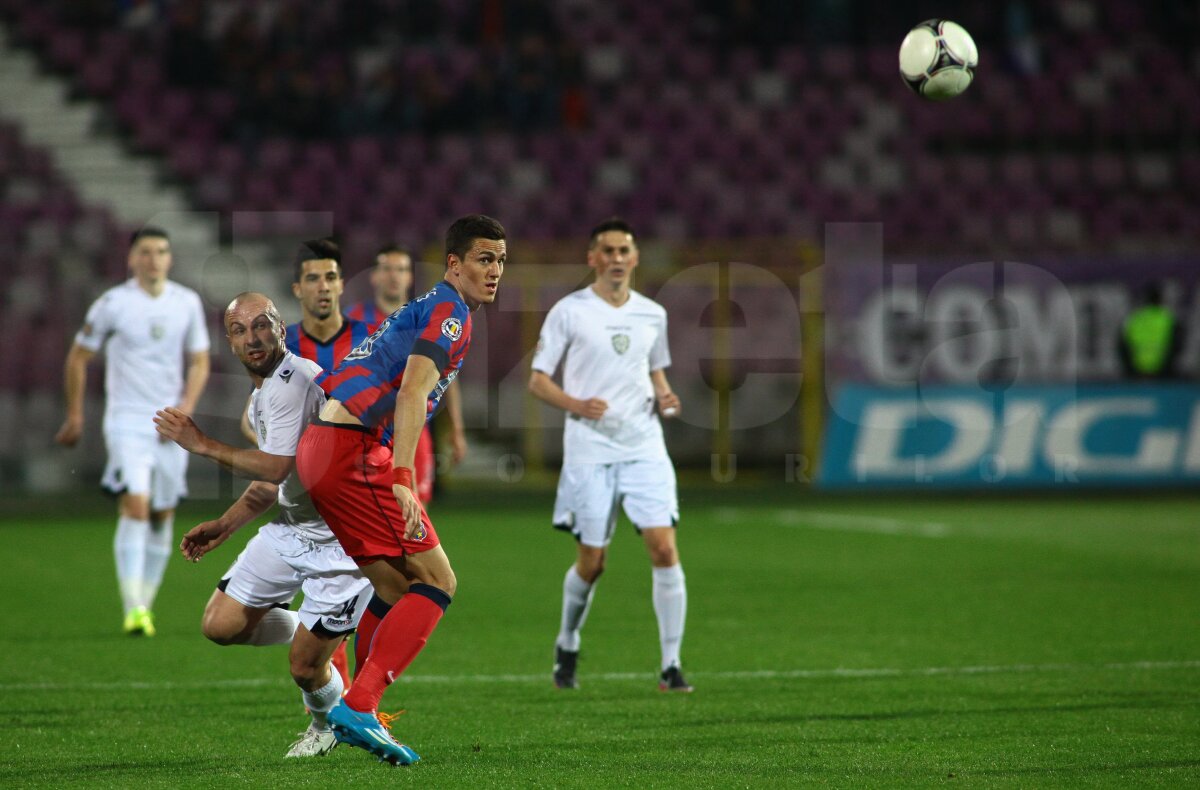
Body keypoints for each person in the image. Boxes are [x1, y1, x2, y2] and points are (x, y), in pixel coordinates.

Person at [294, 215, 506, 765]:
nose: (495, 271)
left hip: (325, 446)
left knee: (391, 586)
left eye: (501, 261)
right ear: (454, 264)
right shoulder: (450, 313)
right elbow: (413, 391)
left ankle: (355, 704)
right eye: (484, 259)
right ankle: (360, 705)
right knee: (439, 580)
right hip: (354, 449)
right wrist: (403, 478)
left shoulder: (428, 306)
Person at [153, 293, 374, 759]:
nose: (251, 337)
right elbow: (275, 483)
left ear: (281, 329)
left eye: (260, 326)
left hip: (339, 540)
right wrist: (225, 525)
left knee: (304, 670)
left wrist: (202, 443)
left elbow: (275, 468)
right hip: (295, 527)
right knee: (220, 624)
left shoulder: (291, 382)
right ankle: (314, 628)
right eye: (239, 330)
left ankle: (325, 726)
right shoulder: (265, 392)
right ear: (230, 342)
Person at [528, 218, 691, 692]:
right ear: (592, 259)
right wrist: (578, 404)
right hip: (589, 449)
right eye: (608, 250)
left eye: (625, 250)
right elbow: (537, 380)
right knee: (593, 561)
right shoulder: (569, 311)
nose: (617, 258)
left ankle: (671, 664)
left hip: (643, 444)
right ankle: (568, 640)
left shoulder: (652, 314)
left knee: (663, 547)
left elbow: (655, 372)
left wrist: (666, 396)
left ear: (635, 258)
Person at [55, 227, 211, 637]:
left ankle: (146, 604)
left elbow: (198, 361)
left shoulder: (186, 302)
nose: (154, 258)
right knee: (136, 506)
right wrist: (75, 415)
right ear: (131, 259)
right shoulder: (114, 303)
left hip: (170, 423)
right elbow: (77, 357)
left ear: (170, 258)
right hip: (127, 421)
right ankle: (133, 607)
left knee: (162, 515)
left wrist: (186, 409)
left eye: (161, 250)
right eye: (145, 251)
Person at [347, 243, 469, 499]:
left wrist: (456, 428)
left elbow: (448, 377)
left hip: (413, 428)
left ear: (410, 276)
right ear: (374, 276)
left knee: (417, 510)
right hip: (364, 431)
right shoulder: (353, 320)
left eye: (401, 269)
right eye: (387, 269)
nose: (394, 276)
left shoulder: (429, 317)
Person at [1119, 282, 1184, 379]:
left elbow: (1123, 346)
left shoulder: (1135, 319)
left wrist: (1130, 370)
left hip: (1136, 373)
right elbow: (1177, 346)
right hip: (1163, 373)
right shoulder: (1168, 318)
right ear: (1161, 299)